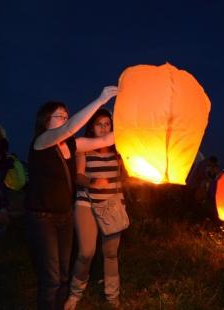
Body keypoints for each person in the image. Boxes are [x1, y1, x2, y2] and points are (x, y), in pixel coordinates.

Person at [25, 86, 117, 310]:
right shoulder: (42, 142)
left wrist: (135, 121)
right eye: (60, 115)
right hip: (42, 218)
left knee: (64, 275)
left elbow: (103, 141)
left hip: (65, 217)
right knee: (51, 279)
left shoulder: (71, 145)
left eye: (67, 115)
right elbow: (70, 128)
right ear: (46, 121)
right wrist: (101, 99)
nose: (65, 118)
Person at [65, 108, 125, 309]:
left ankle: (112, 295)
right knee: (86, 252)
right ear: (92, 127)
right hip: (87, 203)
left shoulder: (120, 151)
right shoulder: (84, 148)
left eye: (107, 124)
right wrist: (92, 182)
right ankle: (75, 293)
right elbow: (78, 176)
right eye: (99, 124)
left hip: (112, 205)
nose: (103, 128)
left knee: (110, 253)